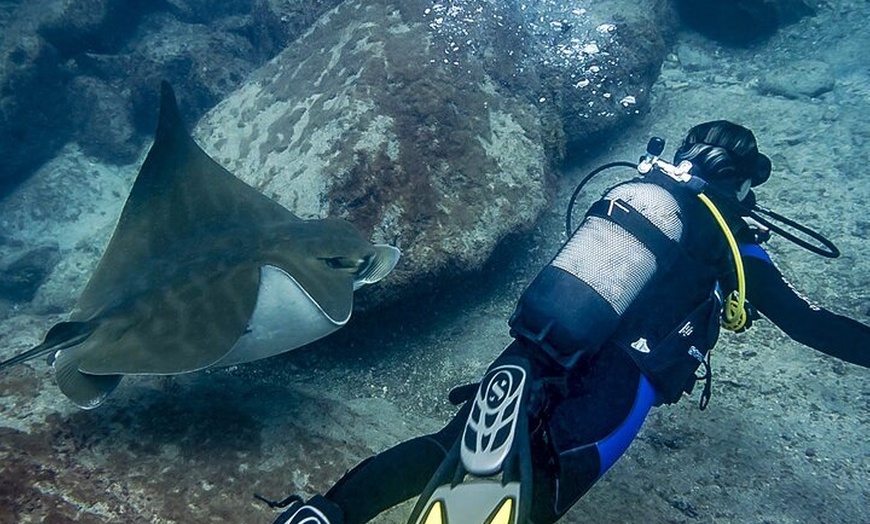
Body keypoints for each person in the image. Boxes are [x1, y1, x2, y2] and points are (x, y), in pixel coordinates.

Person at [260, 121, 870, 524]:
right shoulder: (730, 239)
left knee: (449, 446)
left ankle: (326, 514)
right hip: (623, 373)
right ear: (739, 181)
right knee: (549, 479)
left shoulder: (635, 193)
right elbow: (810, 324)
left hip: (543, 340)